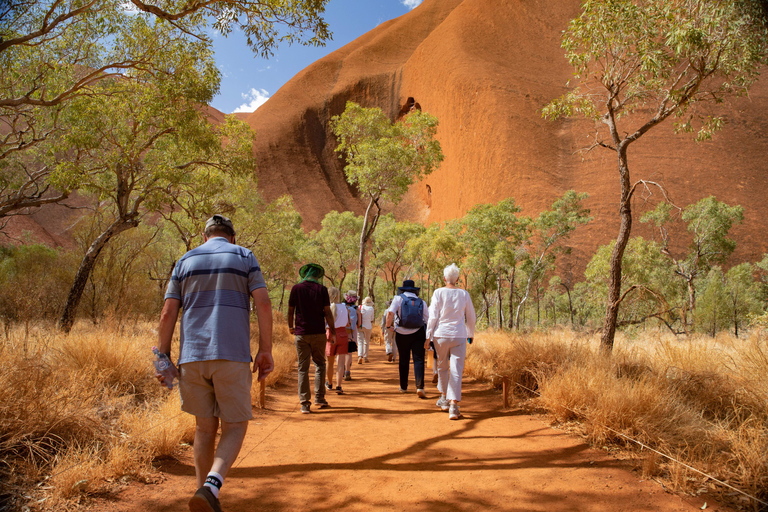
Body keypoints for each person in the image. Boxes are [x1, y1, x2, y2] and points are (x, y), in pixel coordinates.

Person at [156, 214, 273, 512]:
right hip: (231, 355)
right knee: (235, 426)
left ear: (204, 235)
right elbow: (263, 302)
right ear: (232, 236)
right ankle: (211, 486)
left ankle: (204, 495)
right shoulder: (244, 256)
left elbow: (168, 313)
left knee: (204, 429)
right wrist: (265, 350)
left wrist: (163, 358)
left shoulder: (185, 260)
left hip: (192, 357)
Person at [425, 263, 477, 420]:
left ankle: (443, 398)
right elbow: (471, 316)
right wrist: (470, 333)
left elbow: (433, 316)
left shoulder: (438, 292)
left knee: (442, 366)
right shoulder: (464, 294)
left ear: (444, 278)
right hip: (459, 335)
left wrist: (428, 336)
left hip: (441, 335)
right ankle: (453, 405)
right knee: (456, 369)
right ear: (457, 279)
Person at [288, 263, 337, 414]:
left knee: (303, 368)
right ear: (317, 276)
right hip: (318, 333)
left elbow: (290, 311)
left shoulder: (296, 288)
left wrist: (290, 327)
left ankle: (304, 403)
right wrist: (333, 331)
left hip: (301, 334)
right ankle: (320, 397)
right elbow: (327, 312)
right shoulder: (322, 289)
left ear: (305, 274)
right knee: (320, 365)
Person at [385, 280, 429, 398]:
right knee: (418, 359)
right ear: (414, 290)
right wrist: (429, 336)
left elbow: (390, 313)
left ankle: (403, 386)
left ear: (403, 289)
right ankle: (420, 387)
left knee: (404, 359)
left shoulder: (398, 299)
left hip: (401, 333)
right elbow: (427, 319)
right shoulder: (421, 301)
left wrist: (388, 326)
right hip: (418, 332)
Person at [325, 287, 349, 394]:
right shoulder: (344, 307)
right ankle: (339, 386)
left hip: (330, 334)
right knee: (341, 362)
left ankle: (330, 384)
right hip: (343, 333)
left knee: (330, 362)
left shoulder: (328, 307)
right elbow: (347, 323)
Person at [342, 291, 360, 380]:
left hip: (340, 332)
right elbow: (359, 324)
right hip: (352, 333)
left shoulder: (341, 307)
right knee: (349, 353)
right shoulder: (356, 310)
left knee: (341, 352)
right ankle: (347, 372)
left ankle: (341, 370)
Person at [358, 296, 375, 364]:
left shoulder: (360, 307)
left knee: (360, 341)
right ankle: (365, 357)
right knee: (366, 342)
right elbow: (372, 319)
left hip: (360, 326)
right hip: (368, 326)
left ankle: (360, 356)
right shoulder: (371, 308)